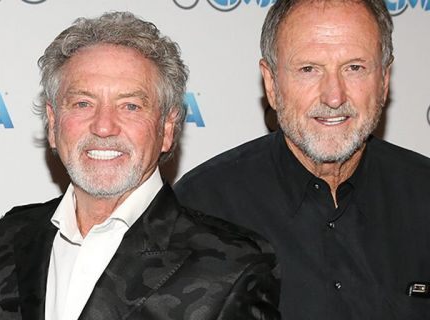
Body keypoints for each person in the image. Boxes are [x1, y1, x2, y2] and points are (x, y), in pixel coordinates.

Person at [0, 11, 280, 320]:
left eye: (130, 106)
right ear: (53, 124)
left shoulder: (232, 267)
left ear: (167, 128)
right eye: (83, 104)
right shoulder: (6, 243)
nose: (104, 127)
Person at [174, 0, 430, 319]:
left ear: (384, 80)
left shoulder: (424, 194)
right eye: (309, 69)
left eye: (355, 67)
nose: (334, 96)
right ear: (271, 83)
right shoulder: (202, 208)